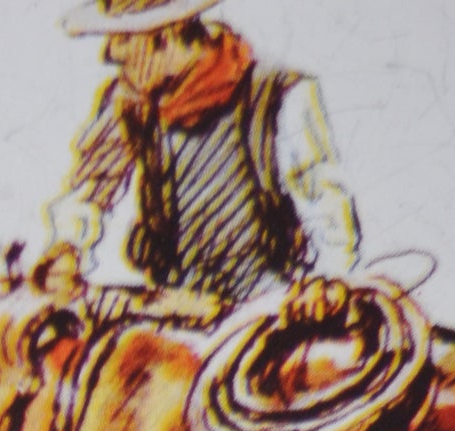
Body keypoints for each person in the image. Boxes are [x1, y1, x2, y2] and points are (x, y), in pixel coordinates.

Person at [39, 2, 360, 311]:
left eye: (123, 39)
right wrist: (66, 247)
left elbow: (323, 196)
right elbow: (91, 188)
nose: (109, 54)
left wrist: (328, 278)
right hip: (172, 308)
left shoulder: (278, 93)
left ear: (164, 37)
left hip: (265, 311)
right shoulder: (129, 102)